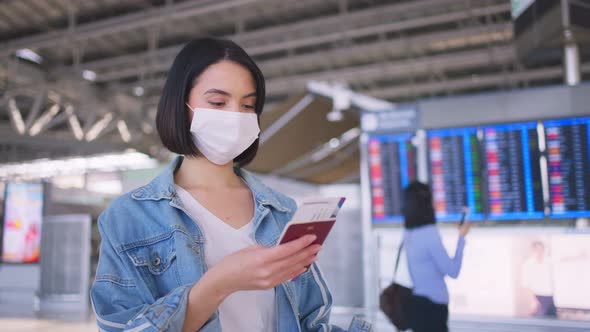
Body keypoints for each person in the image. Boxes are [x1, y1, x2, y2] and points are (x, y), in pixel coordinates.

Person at [90, 38, 371, 332]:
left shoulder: (282, 211)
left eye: (248, 105)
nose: (235, 116)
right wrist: (220, 282)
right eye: (217, 102)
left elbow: (312, 321)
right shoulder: (128, 218)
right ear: (180, 105)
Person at [402, 181, 470, 332]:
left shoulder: (408, 233)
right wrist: (462, 238)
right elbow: (453, 271)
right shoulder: (429, 233)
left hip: (418, 305)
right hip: (433, 308)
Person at [521, 241, 557, 317]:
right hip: (538, 297)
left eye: (541, 249)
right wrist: (533, 300)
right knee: (541, 323)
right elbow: (526, 285)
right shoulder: (528, 264)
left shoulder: (549, 261)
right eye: (536, 250)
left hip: (551, 296)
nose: (539, 252)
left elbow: (562, 260)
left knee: (553, 320)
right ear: (532, 251)